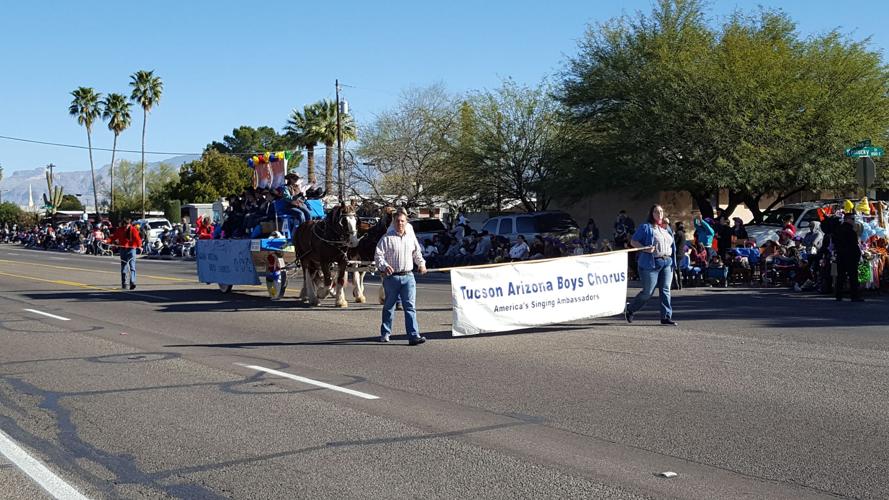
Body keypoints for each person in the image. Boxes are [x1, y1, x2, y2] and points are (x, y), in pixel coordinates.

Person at [374, 209, 428, 345]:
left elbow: (417, 253)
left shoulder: (410, 237)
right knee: (389, 307)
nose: (400, 223)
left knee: (410, 307)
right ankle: (385, 333)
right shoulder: (386, 238)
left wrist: (421, 264)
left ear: (406, 222)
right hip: (392, 278)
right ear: (394, 222)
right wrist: (385, 266)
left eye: (402, 221)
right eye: (397, 221)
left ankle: (413, 336)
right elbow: (378, 256)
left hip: (408, 277)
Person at [625, 204, 677, 326]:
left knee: (665, 290)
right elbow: (633, 241)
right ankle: (631, 309)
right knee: (648, 292)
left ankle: (666, 317)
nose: (659, 214)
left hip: (667, 261)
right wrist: (644, 248)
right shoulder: (646, 227)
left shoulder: (666, 228)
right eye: (656, 212)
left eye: (661, 211)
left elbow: (671, 244)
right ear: (651, 214)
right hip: (651, 263)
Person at [834, 212, 863, 302]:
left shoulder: (838, 229)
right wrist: (857, 254)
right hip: (850, 256)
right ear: (848, 219)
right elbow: (853, 244)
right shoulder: (850, 230)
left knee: (841, 276)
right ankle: (854, 296)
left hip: (840, 255)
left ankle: (838, 295)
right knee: (853, 276)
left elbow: (835, 243)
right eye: (853, 219)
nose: (854, 221)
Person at [108, 218, 142, 290]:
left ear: (130, 224)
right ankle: (124, 283)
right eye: (125, 224)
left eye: (128, 224)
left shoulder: (133, 230)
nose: (126, 226)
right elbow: (114, 237)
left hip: (131, 249)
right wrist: (107, 241)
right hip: (123, 249)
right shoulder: (120, 229)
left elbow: (138, 239)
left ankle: (132, 282)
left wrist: (139, 246)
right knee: (124, 267)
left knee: (132, 267)